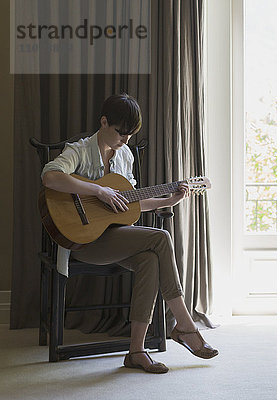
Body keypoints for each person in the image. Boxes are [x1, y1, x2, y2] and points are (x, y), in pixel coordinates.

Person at [41, 93, 217, 373]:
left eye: (130, 135)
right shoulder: (80, 150)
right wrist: (98, 189)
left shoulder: (124, 155)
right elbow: (50, 177)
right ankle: (184, 325)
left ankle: (136, 350)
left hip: (114, 237)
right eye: (120, 133)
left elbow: (131, 203)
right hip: (83, 240)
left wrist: (166, 201)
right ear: (104, 122)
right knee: (161, 238)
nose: (125, 141)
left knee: (149, 259)